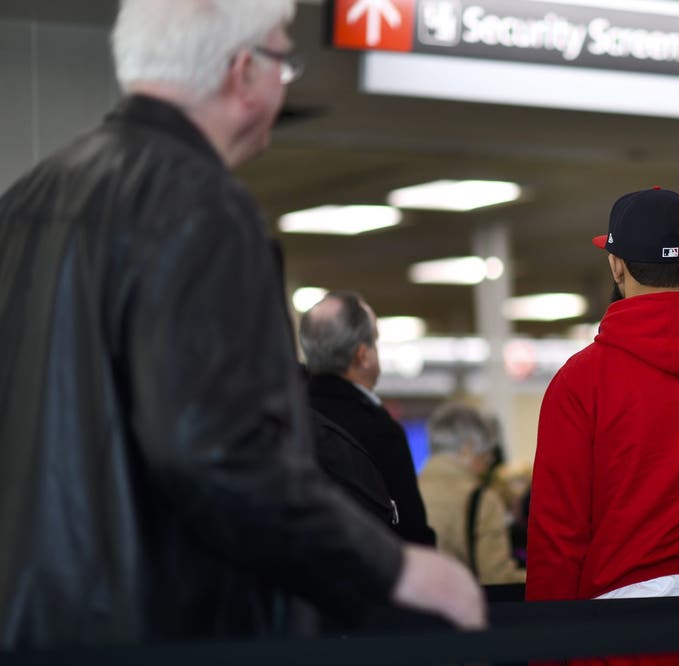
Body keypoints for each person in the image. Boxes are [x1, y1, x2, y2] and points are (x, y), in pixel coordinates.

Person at [0, 0, 482, 647]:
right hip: (165, 625)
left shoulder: (22, 204)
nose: (286, 83)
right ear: (243, 71)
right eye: (284, 59)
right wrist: (393, 568)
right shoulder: (203, 207)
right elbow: (219, 450)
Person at [527, 187, 679, 665]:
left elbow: (558, 541)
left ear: (616, 266)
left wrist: (545, 652)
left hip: (615, 642)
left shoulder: (580, 382)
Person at [299, 291, 437, 546]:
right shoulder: (380, 431)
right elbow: (412, 531)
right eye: (375, 341)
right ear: (363, 355)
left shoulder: (292, 418)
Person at [418, 403, 527, 585]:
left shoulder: (407, 491)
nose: (488, 464)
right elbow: (496, 577)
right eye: (485, 454)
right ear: (467, 449)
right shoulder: (481, 500)